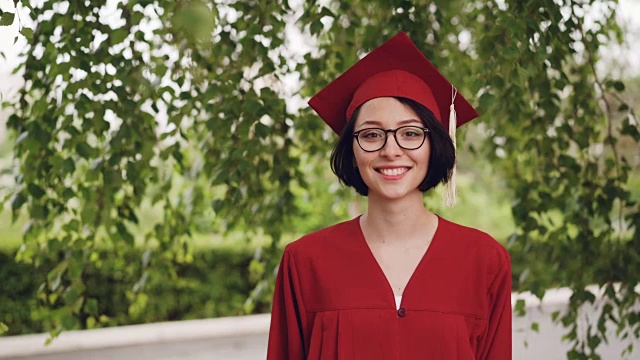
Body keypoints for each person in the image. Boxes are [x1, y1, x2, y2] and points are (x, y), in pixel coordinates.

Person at [267, 31, 512, 359]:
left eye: (411, 133)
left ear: (434, 145)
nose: (391, 150)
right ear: (352, 150)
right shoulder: (305, 262)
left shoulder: (485, 261)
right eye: (371, 134)